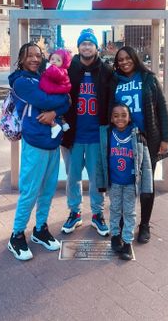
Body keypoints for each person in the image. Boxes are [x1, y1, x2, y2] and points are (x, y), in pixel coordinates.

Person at [7, 42, 70, 261]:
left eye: (38, 55)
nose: (35, 59)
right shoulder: (21, 82)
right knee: (30, 190)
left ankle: (40, 229)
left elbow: (67, 101)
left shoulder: (43, 77)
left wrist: (54, 110)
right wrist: (59, 101)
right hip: (35, 142)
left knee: (48, 189)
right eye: (29, 56)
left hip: (52, 143)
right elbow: (44, 99)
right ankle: (16, 235)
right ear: (21, 59)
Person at [110, 45, 168, 244]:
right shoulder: (113, 81)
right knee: (121, 183)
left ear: (135, 58)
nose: (124, 62)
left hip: (147, 140)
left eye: (128, 58)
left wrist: (165, 138)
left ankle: (144, 224)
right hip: (123, 140)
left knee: (146, 184)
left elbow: (162, 108)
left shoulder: (148, 79)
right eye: (120, 59)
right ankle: (120, 221)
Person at [61, 28, 113, 236]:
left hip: (96, 135)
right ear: (79, 47)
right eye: (83, 43)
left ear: (96, 47)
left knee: (96, 178)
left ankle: (97, 214)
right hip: (74, 135)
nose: (86, 46)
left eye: (90, 43)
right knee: (72, 177)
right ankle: (74, 212)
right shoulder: (69, 70)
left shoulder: (106, 71)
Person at [96, 103, 153, 260]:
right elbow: (101, 161)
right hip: (114, 183)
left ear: (129, 117)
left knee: (129, 212)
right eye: (116, 115)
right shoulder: (108, 135)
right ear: (111, 118)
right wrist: (101, 183)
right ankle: (115, 235)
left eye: (123, 115)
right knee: (114, 210)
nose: (119, 118)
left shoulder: (138, 137)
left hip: (130, 184)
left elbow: (146, 165)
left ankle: (127, 241)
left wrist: (146, 187)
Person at [39, 48, 72, 138]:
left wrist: (49, 67)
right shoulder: (55, 70)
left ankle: (54, 125)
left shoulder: (60, 71)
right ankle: (64, 124)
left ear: (63, 63)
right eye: (52, 59)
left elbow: (56, 75)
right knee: (56, 111)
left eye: (58, 60)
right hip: (53, 91)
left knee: (45, 111)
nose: (54, 62)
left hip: (54, 92)